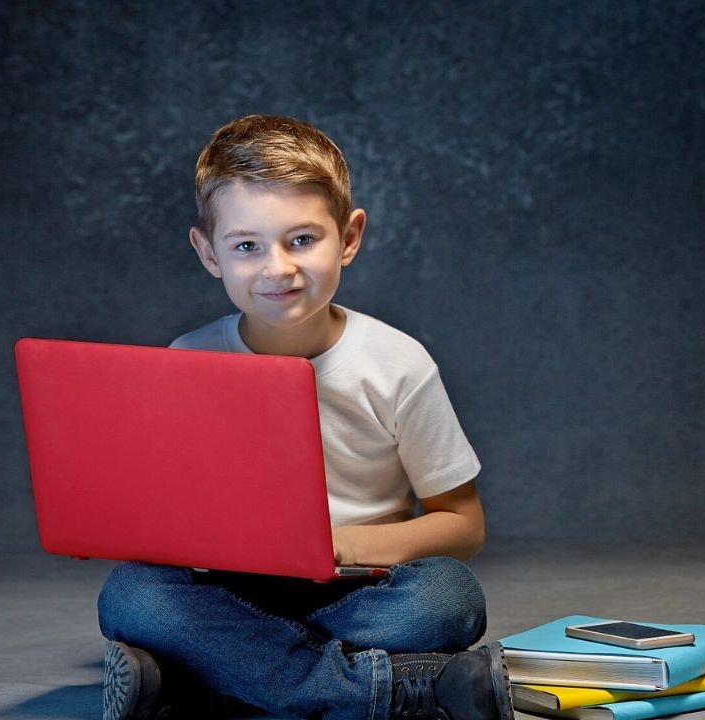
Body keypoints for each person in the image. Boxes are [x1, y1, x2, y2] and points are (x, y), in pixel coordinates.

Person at [95, 115, 513, 720]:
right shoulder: (187, 361)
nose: (278, 269)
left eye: (301, 240)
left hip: (357, 592)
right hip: (229, 591)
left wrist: (342, 546)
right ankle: (386, 689)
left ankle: (202, 680)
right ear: (209, 253)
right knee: (132, 597)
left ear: (348, 237)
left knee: (448, 599)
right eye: (247, 246)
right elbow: (162, 517)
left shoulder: (398, 363)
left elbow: (463, 523)